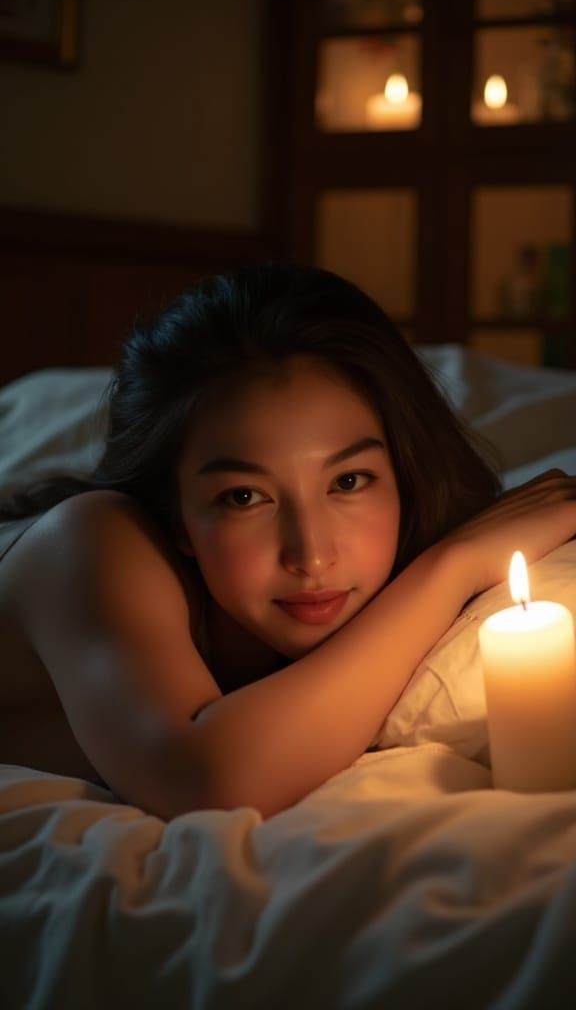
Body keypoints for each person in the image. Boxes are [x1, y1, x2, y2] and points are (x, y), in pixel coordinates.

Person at [0, 262, 574, 820]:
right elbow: (206, 780)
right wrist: (455, 566)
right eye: (244, 497)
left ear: (403, 474)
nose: (312, 555)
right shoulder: (90, 541)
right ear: (176, 517)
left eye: (348, 481)